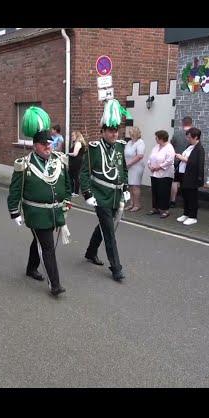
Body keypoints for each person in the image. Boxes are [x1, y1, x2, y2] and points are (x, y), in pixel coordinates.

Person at [7, 106, 70, 297]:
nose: (48, 147)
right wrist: (14, 212)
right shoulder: (24, 164)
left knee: (39, 241)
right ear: (35, 145)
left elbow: (67, 185)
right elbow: (15, 190)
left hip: (54, 212)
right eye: (43, 144)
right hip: (35, 213)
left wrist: (66, 199)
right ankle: (55, 284)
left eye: (49, 143)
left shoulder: (59, 160)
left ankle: (31, 268)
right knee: (48, 247)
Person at [80, 99, 131, 282]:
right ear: (102, 131)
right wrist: (87, 193)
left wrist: (125, 187)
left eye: (116, 130)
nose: (114, 133)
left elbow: (122, 169)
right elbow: (84, 172)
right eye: (110, 130)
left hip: (116, 195)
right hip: (100, 196)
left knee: (104, 225)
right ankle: (116, 268)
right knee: (109, 230)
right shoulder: (94, 148)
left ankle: (90, 252)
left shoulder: (120, 147)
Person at [174, 127, 205, 226]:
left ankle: (193, 216)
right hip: (184, 174)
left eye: (189, 137)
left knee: (192, 197)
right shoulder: (189, 146)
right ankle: (186, 213)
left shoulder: (199, 149)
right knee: (185, 195)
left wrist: (182, 158)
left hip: (192, 176)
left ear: (196, 137)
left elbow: (196, 163)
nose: (188, 139)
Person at [147, 130, 175, 218]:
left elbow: (169, 161)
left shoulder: (169, 148)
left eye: (156, 137)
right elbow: (150, 157)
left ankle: (165, 210)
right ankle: (155, 208)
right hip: (154, 173)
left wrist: (159, 167)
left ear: (161, 138)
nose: (155, 139)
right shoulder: (156, 147)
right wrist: (150, 165)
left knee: (163, 192)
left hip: (165, 174)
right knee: (155, 190)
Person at [170, 116, 193, 208]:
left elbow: (172, 146)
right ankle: (186, 202)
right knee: (186, 182)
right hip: (188, 161)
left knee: (175, 181)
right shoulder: (194, 134)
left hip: (177, 160)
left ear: (183, 123)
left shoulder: (177, 134)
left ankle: (172, 201)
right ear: (191, 123)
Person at [123, 126, 145, 212]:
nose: (130, 135)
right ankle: (131, 203)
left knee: (135, 186)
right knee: (130, 186)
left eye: (132, 134)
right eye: (130, 134)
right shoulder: (129, 142)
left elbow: (140, 156)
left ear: (136, 134)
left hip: (136, 167)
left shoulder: (140, 143)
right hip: (128, 167)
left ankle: (137, 205)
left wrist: (129, 163)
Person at [68, 130, 86, 197]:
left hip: (76, 162)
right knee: (72, 176)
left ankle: (75, 192)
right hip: (75, 162)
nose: (72, 137)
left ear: (77, 136)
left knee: (75, 177)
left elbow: (75, 154)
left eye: (73, 135)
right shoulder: (76, 143)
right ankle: (73, 191)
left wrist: (67, 154)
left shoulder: (78, 143)